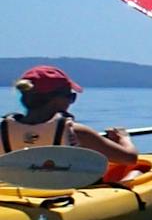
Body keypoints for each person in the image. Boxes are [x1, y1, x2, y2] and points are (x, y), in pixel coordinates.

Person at [3, 66, 140, 174]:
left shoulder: (2, 129)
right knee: (138, 171)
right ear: (56, 99)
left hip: (15, 195)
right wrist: (124, 138)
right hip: (61, 196)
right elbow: (130, 159)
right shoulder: (76, 132)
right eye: (71, 96)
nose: (71, 102)